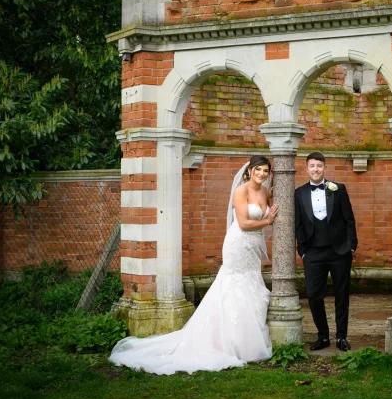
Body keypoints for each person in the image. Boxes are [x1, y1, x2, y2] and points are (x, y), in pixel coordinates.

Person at [109, 155, 278, 375]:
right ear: (249, 170)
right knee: (232, 286)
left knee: (250, 285)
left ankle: (245, 339)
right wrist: (268, 221)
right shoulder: (241, 191)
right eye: (258, 170)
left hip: (253, 248)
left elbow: (264, 211)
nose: (262, 174)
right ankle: (224, 341)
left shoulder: (264, 191)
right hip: (238, 245)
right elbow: (245, 223)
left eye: (265, 171)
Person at [295, 152, 357, 352]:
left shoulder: (338, 189)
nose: (315, 169)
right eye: (312, 166)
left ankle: (341, 337)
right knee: (313, 295)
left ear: (324, 168)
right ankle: (323, 336)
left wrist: (352, 246)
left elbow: (349, 219)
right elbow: (297, 224)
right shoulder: (299, 193)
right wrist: (302, 250)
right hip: (312, 253)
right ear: (306, 168)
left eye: (319, 166)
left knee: (341, 295)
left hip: (339, 252)